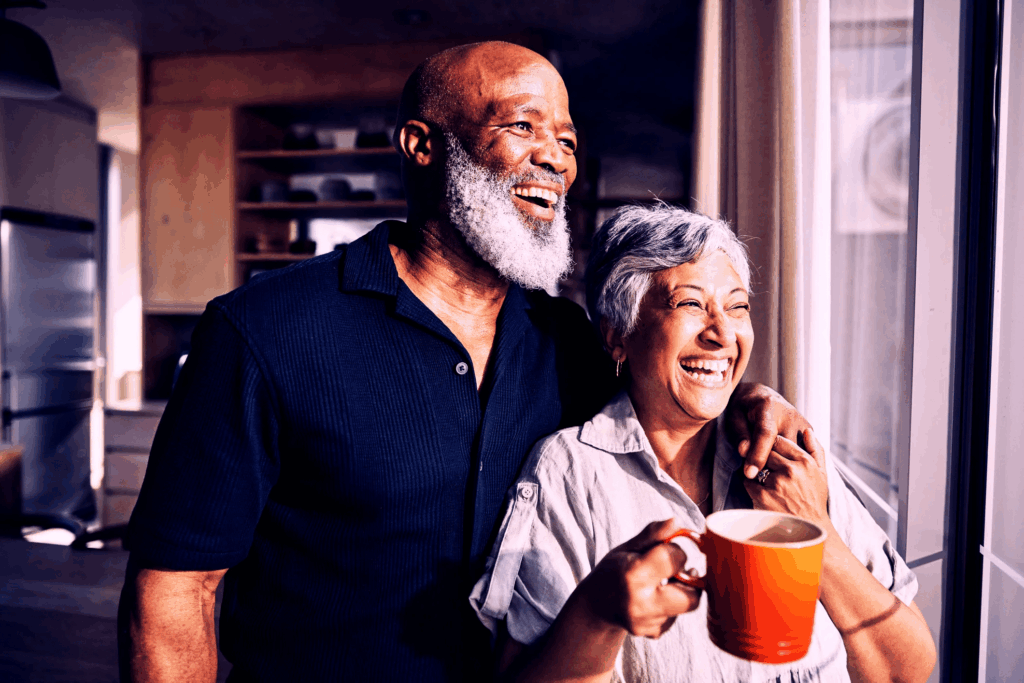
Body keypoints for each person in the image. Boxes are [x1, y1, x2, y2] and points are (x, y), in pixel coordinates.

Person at [119, 43, 810, 682]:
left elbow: (668, 403)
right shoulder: (263, 330)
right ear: (422, 145)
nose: (556, 159)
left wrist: (753, 400)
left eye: (566, 140)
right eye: (524, 126)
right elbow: (176, 586)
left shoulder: (568, 340)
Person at [471, 204, 937, 683]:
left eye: (737, 307)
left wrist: (817, 527)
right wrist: (597, 613)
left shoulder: (788, 454)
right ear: (618, 335)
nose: (723, 334)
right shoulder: (570, 472)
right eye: (690, 304)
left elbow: (908, 670)